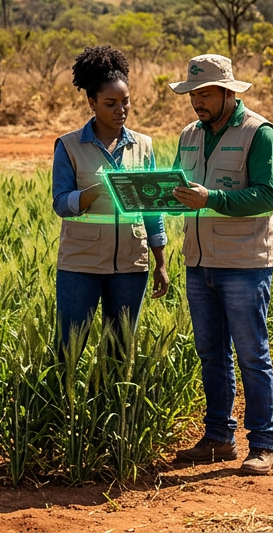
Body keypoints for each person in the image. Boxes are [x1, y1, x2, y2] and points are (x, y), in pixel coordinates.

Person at [168, 54, 273, 476]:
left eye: (203, 94)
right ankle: (218, 437)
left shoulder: (260, 134)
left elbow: (267, 196)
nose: (196, 101)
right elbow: (183, 189)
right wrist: (158, 197)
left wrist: (212, 199)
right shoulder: (190, 134)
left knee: (252, 354)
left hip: (243, 263)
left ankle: (262, 443)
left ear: (228, 92)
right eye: (192, 94)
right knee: (211, 353)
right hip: (198, 261)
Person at [51, 45, 170, 357]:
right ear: (92, 103)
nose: (121, 109)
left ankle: (109, 404)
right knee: (69, 348)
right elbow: (61, 203)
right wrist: (96, 192)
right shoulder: (69, 146)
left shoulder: (144, 146)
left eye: (126, 101)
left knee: (119, 350)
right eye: (110, 103)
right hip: (81, 262)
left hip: (132, 263)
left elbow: (152, 208)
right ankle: (64, 405)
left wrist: (160, 262)